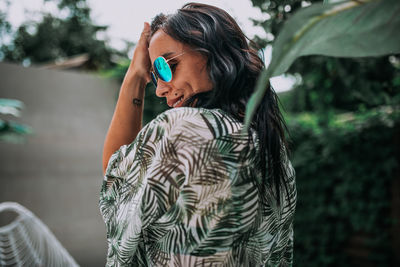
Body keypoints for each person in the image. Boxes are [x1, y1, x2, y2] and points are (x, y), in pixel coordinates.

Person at [100, 2, 296, 266]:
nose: (159, 89)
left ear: (210, 51)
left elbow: (116, 179)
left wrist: (136, 75)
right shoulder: (272, 146)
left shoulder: (184, 128)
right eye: (154, 76)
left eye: (165, 66)